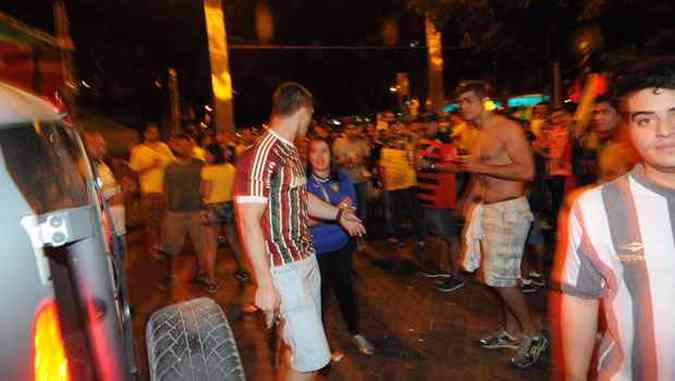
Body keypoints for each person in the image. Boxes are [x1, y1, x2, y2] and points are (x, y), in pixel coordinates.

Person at [233, 82, 365, 381]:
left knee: (293, 348)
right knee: (311, 359)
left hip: (305, 259)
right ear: (303, 111)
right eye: (311, 116)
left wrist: (339, 214)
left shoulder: (290, 151)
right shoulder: (261, 154)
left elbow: (302, 199)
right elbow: (247, 221)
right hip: (283, 269)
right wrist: (264, 282)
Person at [554, 59, 675, 381]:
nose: (664, 131)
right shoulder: (594, 209)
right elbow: (580, 300)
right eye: (646, 119)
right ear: (629, 128)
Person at [451, 81, 547, 368]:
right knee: (494, 275)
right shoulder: (476, 134)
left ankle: (533, 334)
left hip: (509, 210)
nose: (464, 107)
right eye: (461, 102)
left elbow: (527, 170)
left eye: (468, 100)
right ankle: (511, 331)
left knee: (500, 278)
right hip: (488, 210)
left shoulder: (507, 128)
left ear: (484, 100)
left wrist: (479, 168)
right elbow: (475, 172)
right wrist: (468, 197)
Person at [306, 136, 375, 361]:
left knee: (346, 291)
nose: (319, 156)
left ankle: (355, 332)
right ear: (308, 156)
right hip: (316, 251)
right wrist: (337, 212)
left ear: (331, 155)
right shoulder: (303, 183)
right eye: (314, 151)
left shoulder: (342, 177)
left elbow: (351, 209)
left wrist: (326, 214)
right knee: (320, 298)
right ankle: (322, 344)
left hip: (342, 246)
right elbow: (303, 220)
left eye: (324, 151)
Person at [415, 119, 464, 292]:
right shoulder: (423, 141)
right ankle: (443, 268)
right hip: (427, 198)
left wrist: (431, 165)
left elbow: (455, 168)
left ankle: (456, 276)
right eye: (423, 123)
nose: (424, 125)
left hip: (441, 199)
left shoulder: (447, 142)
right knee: (438, 235)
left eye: (428, 123)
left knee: (450, 237)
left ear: (437, 124)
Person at [160, 134, 210, 291]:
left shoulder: (201, 164)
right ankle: (170, 275)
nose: (181, 147)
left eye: (185, 144)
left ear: (191, 146)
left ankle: (202, 273)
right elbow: (165, 189)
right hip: (175, 213)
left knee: (201, 246)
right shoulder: (169, 167)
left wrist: (206, 208)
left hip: (197, 211)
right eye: (178, 144)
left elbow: (207, 186)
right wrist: (167, 209)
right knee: (171, 247)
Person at [201, 143, 249, 283]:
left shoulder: (207, 170)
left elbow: (206, 193)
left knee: (211, 246)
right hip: (229, 207)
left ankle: (211, 281)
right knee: (233, 241)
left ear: (213, 155)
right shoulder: (230, 168)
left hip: (212, 207)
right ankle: (242, 271)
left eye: (207, 154)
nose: (205, 156)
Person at [128, 123, 174, 256]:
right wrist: (150, 166)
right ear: (146, 134)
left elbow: (172, 164)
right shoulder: (138, 150)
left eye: (156, 132)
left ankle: (163, 246)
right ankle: (153, 249)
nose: (156, 135)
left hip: (165, 191)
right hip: (148, 192)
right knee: (150, 224)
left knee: (164, 222)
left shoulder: (164, 147)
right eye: (152, 132)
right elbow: (133, 171)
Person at [333, 123, 372, 230]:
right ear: (345, 130)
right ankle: (348, 232)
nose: (352, 131)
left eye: (354, 129)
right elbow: (334, 162)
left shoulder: (362, 142)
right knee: (347, 208)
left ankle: (361, 234)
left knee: (362, 208)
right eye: (349, 129)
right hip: (345, 181)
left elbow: (368, 159)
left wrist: (361, 161)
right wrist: (343, 161)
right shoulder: (338, 143)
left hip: (360, 179)